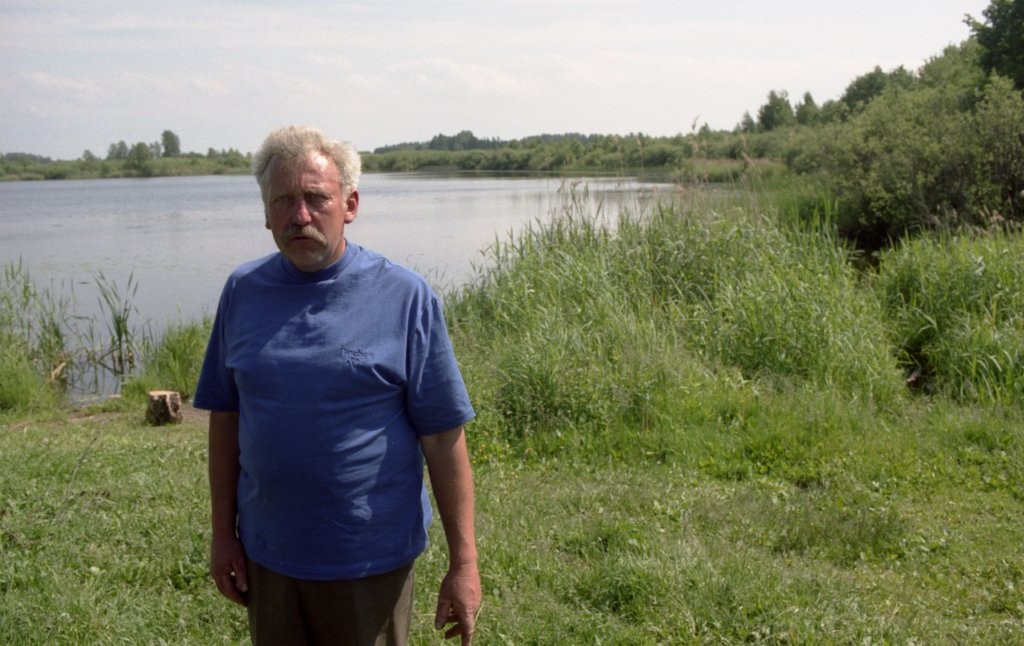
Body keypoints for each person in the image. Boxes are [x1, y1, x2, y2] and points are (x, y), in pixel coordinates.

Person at [193, 125, 480, 645]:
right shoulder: (242, 291)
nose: (299, 215)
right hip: (268, 556)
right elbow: (226, 417)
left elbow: (443, 436)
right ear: (266, 214)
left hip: (369, 562)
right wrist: (222, 534)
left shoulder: (405, 296)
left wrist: (464, 563)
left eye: (315, 198)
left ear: (349, 205)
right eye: (282, 200)